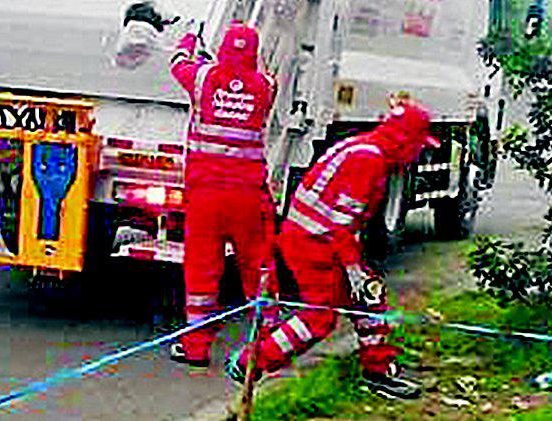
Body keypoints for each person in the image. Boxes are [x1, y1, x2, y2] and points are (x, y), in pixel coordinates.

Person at [229, 100, 438, 400]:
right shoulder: (369, 160)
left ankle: (378, 371)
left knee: (370, 301)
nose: (420, 153)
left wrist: (360, 277)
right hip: (312, 243)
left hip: (314, 237)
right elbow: (341, 226)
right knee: (319, 318)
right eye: (419, 145)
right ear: (405, 141)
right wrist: (354, 272)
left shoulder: (365, 148)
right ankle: (250, 361)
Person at [167, 21, 277, 368]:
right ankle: (269, 342)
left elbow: (178, 64)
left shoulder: (202, 78)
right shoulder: (265, 87)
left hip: (206, 195)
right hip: (249, 196)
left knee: (202, 270)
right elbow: (267, 75)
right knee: (258, 265)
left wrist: (189, 38)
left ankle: (196, 346)